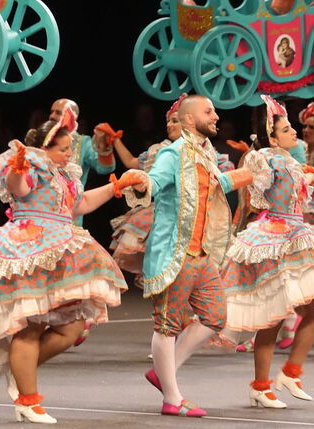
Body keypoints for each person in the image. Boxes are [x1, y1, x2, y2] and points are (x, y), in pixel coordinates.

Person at [0, 107, 131, 424]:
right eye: (62, 149)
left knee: (72, 326)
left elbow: (82, 205)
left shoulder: (64, 175)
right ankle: (27, 400)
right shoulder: (34, 164)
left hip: (60, 246)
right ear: (45, 148)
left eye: (68, 149)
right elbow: (19, 188)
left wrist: (118, 186)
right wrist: (17, 169)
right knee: (31, 324)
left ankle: (17, 369)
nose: (67, 154)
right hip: (31, 246)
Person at [220, 96, 314, 409]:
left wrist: (310, 176)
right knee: (272, 318)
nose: (295, 133)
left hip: (298, 233)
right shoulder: (266, 159)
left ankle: (291, 373)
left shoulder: (289, 160)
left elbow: (294, 190)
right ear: (272, 136)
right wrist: (223, 179)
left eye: (292, 128)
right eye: (287, 129)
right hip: (276, 236)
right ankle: (261, 385)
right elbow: (252, 184)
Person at [122, 94, 252, 417]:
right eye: (208, 111)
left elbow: (218, 182)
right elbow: (152, 182)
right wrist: (140, 183)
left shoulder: (206, 155)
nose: (216, 116)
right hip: (175, 254)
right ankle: (172, 397)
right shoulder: (173, 153)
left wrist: (251, 172)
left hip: (202, 255)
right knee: (167, 325)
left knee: (215, 317)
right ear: (190, 119)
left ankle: (164, 371)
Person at [109, 94, 236, 281]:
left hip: (202, 233)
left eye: (174, 121)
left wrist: (246, 169)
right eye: (169, 122)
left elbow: (220, 181)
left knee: (213, 304)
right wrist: (142, 182)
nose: (170, 125)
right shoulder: (167, 152)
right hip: (175, 232)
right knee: (173, 300)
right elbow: (149, 176)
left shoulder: (206, 151)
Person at [48, 99, 115, 227]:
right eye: (51, 112)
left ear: (73, 116)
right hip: (41, 215)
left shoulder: (82, 142)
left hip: (70, 220)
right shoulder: (44, 140)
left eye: (58, 113)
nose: (52, 116)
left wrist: (104, 147)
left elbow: (104, 168)